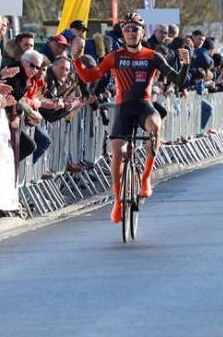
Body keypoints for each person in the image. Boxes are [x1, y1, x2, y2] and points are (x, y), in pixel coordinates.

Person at [71, 12, 190, 224]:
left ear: (143, 32)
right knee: (117, 153)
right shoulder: (115, 56)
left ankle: (145, 180)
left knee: (155, 126)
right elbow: (90, 76)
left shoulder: (152, 56)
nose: (131, 32)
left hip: (144, 106)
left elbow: (178, 80)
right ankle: (117, 202)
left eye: (135, 29)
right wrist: (76, 60)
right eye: (127, 29)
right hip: (123, 109)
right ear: (123, 33)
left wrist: (186, 64)